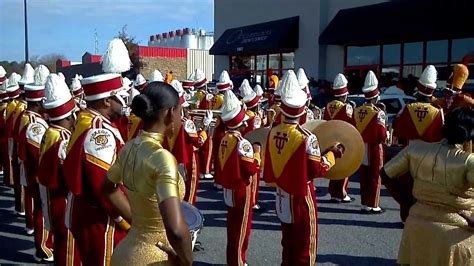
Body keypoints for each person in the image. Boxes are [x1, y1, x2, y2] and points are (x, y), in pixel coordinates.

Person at [103, 81, 193, 266]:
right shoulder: (162, 158)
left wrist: (139, 222)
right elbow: (175, 229)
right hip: (155, 257)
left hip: (125, 251)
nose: (180, 118)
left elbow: (108, 188)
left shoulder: (128, 147)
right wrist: (187, 261)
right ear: (170, 113)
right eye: (179, 112)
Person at [62, 38, 131, 265]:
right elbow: (104, 186)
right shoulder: (98, 133)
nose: (125, 101)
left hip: (93, 215)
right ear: (107, 101)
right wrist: (128, 218)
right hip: (101, 219)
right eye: (120, 96)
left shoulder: (90, 121)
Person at [263, 70, 343, 265]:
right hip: (301, 196)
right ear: (302, 110)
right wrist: (333, 154)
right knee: (304, 248)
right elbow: (317, 169)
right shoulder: (307, 137)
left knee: (287, 244)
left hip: (281, 194)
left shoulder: (273, 132)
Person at [382, 107, 474, 266]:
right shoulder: (468, 161)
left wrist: (406, 202)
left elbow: (385, 173)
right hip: (455, 232)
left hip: (417, 222)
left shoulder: (416, 149)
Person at [37, 73, 81, 265]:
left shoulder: (51, 131)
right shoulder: (62, 138)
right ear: (70, 115)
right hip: (62, 197)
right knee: (67, 244)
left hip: (52, 193)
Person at [390, 65, 444, 222]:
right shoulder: (438, 111)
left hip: (409, 155)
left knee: (407, 188)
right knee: (427, 190)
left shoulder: (407, 108)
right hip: (430, 157)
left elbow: (396, 127)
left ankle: (406, 218)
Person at [216, 89, 260, 266]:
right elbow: (251, 168)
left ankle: (232, 259)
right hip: (241, 189)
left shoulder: (225, 138)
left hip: (229, 188)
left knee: (232, 227)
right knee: (242, 228)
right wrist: (257, 153)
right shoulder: (243, 143)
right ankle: (238, 261)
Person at [17, 65, 54, 262]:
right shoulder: (35, 124)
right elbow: (39, 153)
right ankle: (43, 247)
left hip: (33, 171)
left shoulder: (31, 117)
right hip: (36, 173)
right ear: (39, 102)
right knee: (42, 210)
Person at [354, 71, 387, 214]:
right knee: (375, 175)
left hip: (361, 146)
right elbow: (382, 135)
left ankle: (363, 203)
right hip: (374, 147)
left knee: (364, 176)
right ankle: (373, 204)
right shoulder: (378, 112)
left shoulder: (357, 110)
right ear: (376, 96)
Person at [323, 73, 355, 203]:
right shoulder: (346, 107)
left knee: (333, 165)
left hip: (330, 139)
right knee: (344, 167)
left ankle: (333, 193)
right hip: (343, 140)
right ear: (345, 94)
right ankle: (342, 193)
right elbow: (351, 124)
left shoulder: (328, 105)